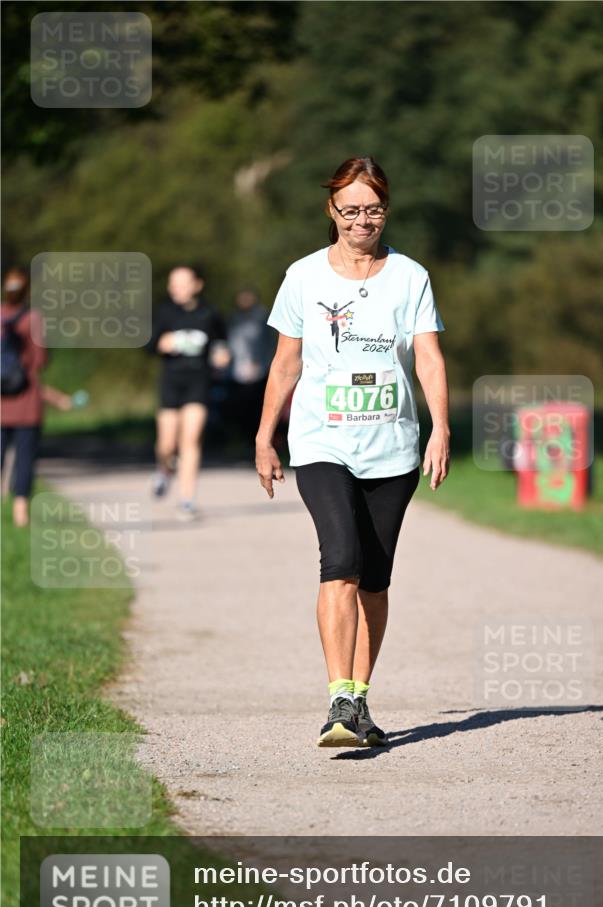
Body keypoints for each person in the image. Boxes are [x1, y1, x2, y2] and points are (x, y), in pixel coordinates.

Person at [255, 156, 450, 749]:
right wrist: (266, 434)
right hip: (321, 440)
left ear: (385, 209)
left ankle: (358, 702)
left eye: (373, 208)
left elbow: (428, 357)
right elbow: (286, 361)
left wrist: (439, 427)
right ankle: (338, 696)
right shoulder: (304, 276)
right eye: (351, 210)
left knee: (375, 578)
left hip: (391, 443)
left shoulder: (410, 276)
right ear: (331, 211)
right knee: (339, 557)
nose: (362, 220)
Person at [147, 265, 230, 521]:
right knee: (167, 444)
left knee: (191, 441)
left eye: (182, 283)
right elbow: (149, 345)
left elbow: (221, 345)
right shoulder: (164, 312)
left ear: (197, 285)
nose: (177, 288)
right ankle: (164, 469)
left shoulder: (209, 313)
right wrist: (162, 344)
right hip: (171, 382)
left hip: (198, 383)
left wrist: (223, 356)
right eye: (173, 284)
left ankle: (186, 501)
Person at [1, 267, 48, 527]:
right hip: (27, 402)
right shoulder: (34, 318)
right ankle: (21, 514)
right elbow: (41, 360)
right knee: (25, 457)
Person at [225, 288, 276, 452]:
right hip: (236, 370)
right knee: (239, 408)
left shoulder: (263, 317)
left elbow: (270, 343)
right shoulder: (233, 318)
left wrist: (266, 363)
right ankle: (243, 440)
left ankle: (257, 442)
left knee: (257, 407)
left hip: (259, 369)